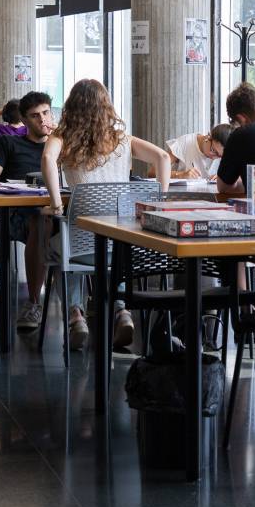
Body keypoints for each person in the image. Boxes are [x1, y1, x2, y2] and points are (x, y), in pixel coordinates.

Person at [42, 79, 171, 350]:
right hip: (122, 239)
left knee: (59, 247)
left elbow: (46, 160)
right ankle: (121, 310)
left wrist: (56, 203)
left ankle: (76, 315)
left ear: (71, 106)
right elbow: (163, 157)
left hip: (80, 239)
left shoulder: (63, 137)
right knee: (107, 252)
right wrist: (160, 202)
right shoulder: (122, 139)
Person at [0, 91, 57, 331]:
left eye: (45, 113)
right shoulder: (9, 143)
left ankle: (96, 305)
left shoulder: (61, 145)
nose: (42, 119)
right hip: (18, 213)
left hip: (57, 208)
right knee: (39, 221)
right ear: (24, 121)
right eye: (35, 116)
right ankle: (34, 302)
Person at [165, 123, 232, 179]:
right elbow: (155, 171)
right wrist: (181, 175)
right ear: (209, 137)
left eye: (219, 156)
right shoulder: (184, 143)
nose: (213, 158)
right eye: (213, 150)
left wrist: (223, 179)